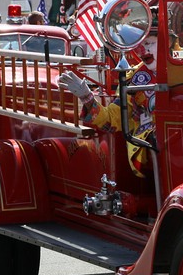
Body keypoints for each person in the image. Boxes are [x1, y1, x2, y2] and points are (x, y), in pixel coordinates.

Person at [58, 21, 162, 178]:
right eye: (139, 44)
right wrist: (86, 97)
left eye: (148, 43)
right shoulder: (133, 80)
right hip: (154, 151)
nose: (142, 50)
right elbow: (112, 120)